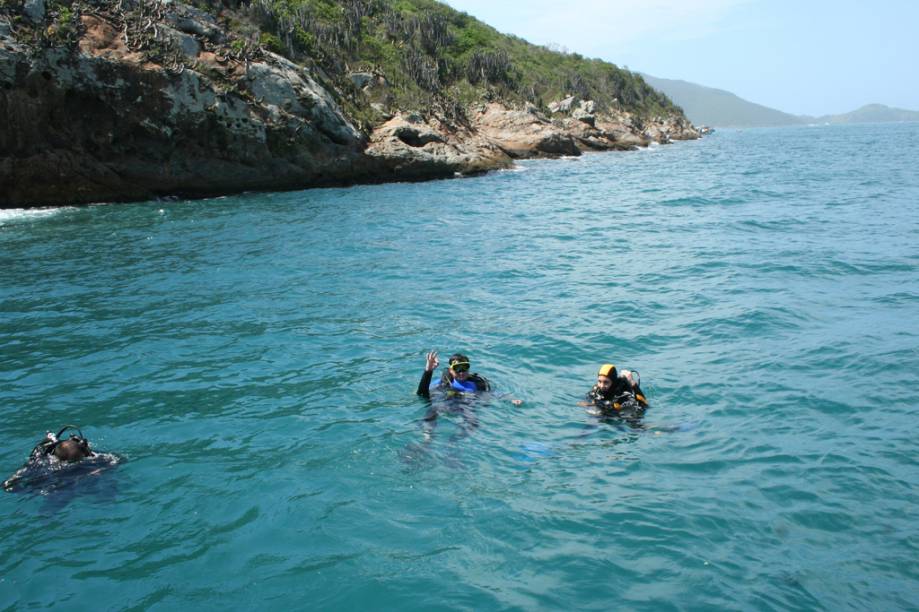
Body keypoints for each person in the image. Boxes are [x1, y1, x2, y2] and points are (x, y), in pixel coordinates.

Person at [3, 426, 97, 492]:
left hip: (42, 486)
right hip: (63, 487)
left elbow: (7, 485)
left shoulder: (39, 461)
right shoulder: (89, 464)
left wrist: (40, 449)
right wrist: (89, 451)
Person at [582, 363, 648, 418]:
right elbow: (587, 399)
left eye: (606, 382)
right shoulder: (596, 389)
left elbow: (644, 405)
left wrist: (632, 382)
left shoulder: (623, 394)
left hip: (620, 416)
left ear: (613, 382)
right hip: (605, 414)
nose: (602, 386)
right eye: (599, 381)